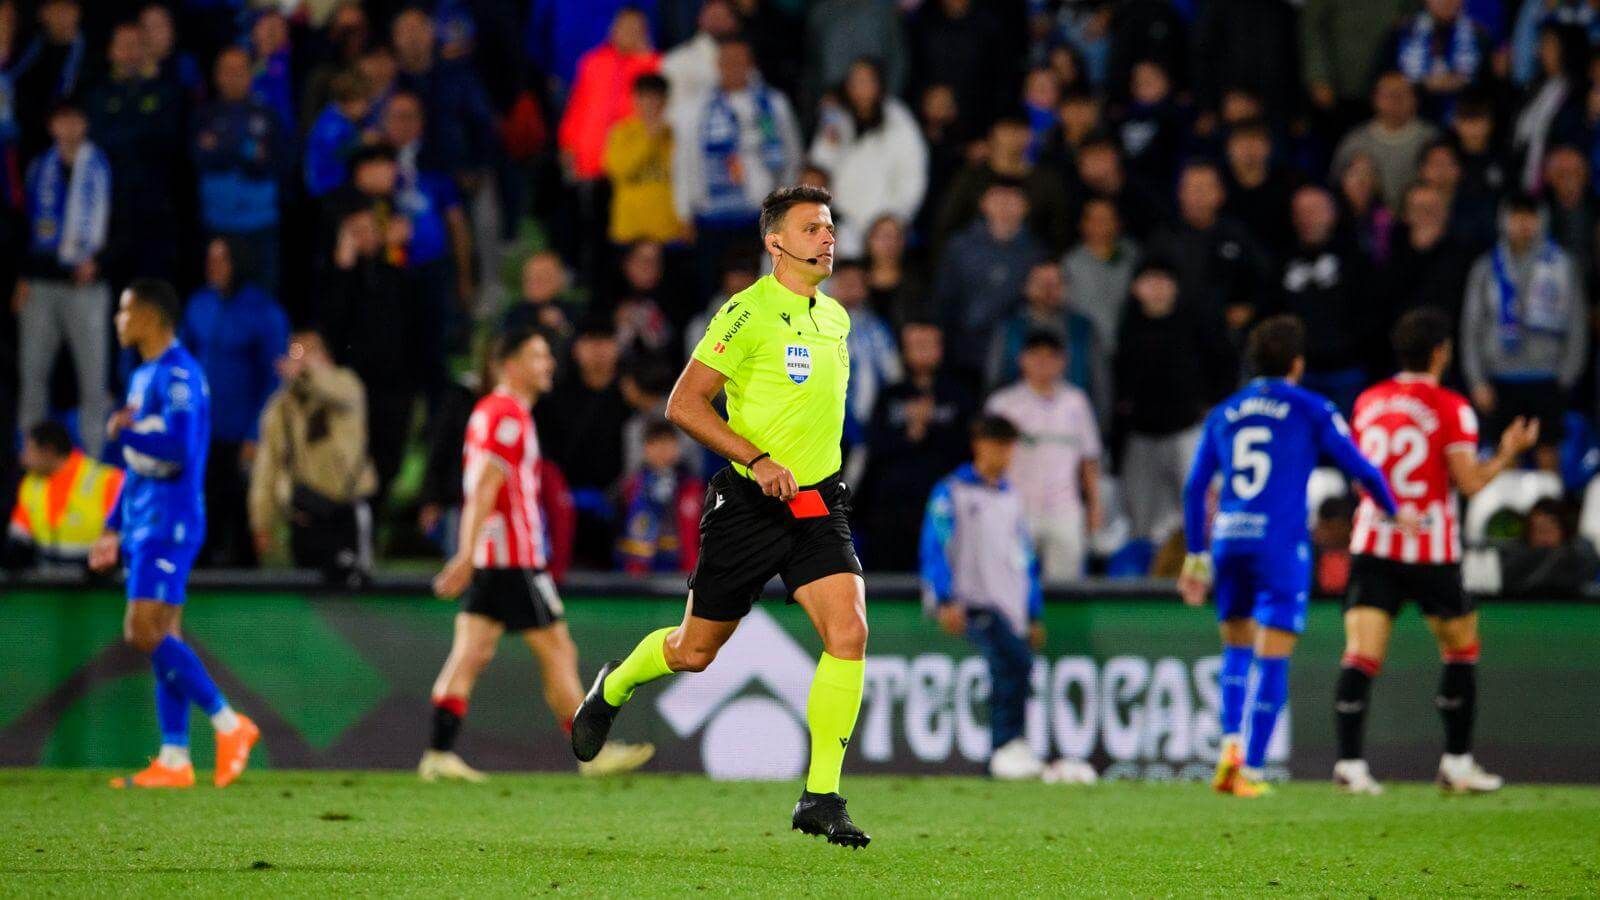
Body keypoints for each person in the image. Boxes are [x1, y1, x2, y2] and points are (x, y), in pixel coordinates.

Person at [571, 186, 872, 848]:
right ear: (776, 243)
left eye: (830, 227)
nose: (828, 238)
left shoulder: (838, 319)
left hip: (817, 505)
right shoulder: (745, 313)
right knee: (694, 652)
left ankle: (820, 795)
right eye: (812, 228)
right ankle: (611, 689)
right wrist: (759, 458)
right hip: (746, 505)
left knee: (848, 632)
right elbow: (684, 403)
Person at [1178, 316, 1405, 799]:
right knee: (1273, 656)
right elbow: (1361, 467)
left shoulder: (1225, 411)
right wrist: (1393, 510)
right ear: (1297, 364)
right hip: (1279, 543)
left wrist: (1196, 556)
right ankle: (1252, 770)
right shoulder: (1309, 407)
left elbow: (1196, 487)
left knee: (1236, 650)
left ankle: (1229, 749)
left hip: (1230, 539)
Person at [423, 324, 655, 782]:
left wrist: (472, 553)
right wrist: (466, 555)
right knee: (557, 651)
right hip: (513, 560)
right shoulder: (508, 415)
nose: (548, 364)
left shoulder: (491, 411)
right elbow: (486, 489)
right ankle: (592, 753)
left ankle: (438, 752)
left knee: (471, 652)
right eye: (537, 356)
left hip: (497, 557)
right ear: (509, 365)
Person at [1335, 308, 1540, 796]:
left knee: (1362, 656)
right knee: (1461, 649)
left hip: (1374, 543)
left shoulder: (1368, 401)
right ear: (1440, 353)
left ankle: (1349, 764)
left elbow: (1357, 473)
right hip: (1431, 549)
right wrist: (1509, 453)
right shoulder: (1451, 407)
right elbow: (1469, 482)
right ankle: (1457, 762)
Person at [90, 279, 259, 789]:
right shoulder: (143, 377)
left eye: (125, 310)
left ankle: (230, 724)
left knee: (143, 632)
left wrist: (127, 431)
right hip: (143, 518)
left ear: (151, 316)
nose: (119, 320)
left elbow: (181, 449)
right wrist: (111, 526)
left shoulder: (181, 375)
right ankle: (174, 756)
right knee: (167, 635)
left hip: (171, 520)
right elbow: (136, 465)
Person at [920, 414, 1046, 779]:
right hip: (973, 602)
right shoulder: (953, 491)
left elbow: (1025, 560)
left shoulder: (1010, 498)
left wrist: (1033, 612)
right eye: (997, 444)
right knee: (1012, 664)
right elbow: (936, 545)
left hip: (1009, 607)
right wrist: (944, 598)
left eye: (1008, 446)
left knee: (1015, 666)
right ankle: (1004, 747)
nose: (1003, 453)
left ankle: (1009, 747)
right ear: (979, 444)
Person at [180, 238, 289, 568]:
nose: (213, 267)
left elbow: (274, 379)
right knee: (199, 509)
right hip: (201, 429)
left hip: (241, 433)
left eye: (222, 260)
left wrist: (256, 433)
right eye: (210, 259)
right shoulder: (199, 304)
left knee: (242, 515)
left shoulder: (264, 313)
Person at [1459, 194, 1587, 473]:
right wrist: (1477, 380)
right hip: (1500, 378)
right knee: (1506, 452)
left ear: (1541, 221)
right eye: (1516, 216)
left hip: (1546, 376)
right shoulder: (1486, 267)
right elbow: (1471, 327)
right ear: (1504, 220)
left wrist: (1566, 376)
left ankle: (1551, 514)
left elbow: (1577, 326)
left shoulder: (1562, 265)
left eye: (1530, 217)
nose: (1523, 224)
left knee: (1547, 451)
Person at [16, 102, 111, 457]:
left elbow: (121, 224)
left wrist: (99, 263)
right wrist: (24, 275)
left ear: (85, 124)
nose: (69, 127)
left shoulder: (102, 166)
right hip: (42, 286)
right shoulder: (39, 168)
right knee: (34, 375)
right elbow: (23, 226)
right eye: (62, 120)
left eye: (76, 119)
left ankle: (95, 462)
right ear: (52, 126)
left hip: (86, 287)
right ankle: (31, 458)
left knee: (93, 380)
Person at [249, 329, 378, 586]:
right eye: (296, 354)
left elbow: (334, 389)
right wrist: (261, 521)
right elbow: (266, 469)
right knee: (306, 597)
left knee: (354, 590)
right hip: (304, 518)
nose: (301, 361)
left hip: (346, 514)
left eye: (309, 353)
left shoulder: (346, 386)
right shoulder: (280, 409)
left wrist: (310, 371)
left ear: (325, 357)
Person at [985, 332, 1103, 581]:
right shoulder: (1003, 404)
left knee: (1066, 586)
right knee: (1010, 581)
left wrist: (1094, 506)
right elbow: (987, 458)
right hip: (1016, 506)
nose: (1043, 363)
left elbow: (1089, 460)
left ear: (1063, 362)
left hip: (1064, 508)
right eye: (1036, 356)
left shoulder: (1076, 402)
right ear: (1022, 360)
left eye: (1051, 357)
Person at [859, 319, 975, 571]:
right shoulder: (890, 395)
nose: (922, 351)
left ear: (940, 349)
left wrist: (929, 429)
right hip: (892, 508)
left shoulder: (959, 396)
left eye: (928, 344)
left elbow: (968, 452)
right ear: (904, 350)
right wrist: (910, 434)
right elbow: (874, 447)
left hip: (942, 506)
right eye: (916, 345)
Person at [6, 422, 122, 568]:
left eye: (29, 450)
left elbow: (124, 530)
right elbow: (20, 532)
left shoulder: (107, 479)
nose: (23, 458)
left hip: (97, 580)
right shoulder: (31, 484)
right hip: (47, 579)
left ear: (48, 451)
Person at [603, 74, 687, 245]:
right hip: (629, 230)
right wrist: (649, 139)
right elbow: (619, 170)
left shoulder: (675, 135)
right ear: (635, 99)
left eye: (655, 98)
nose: (649, 104)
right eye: (643, 97)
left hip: (668, 231)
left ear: (665, 101)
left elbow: (684, 179)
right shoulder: (621, 133)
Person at [616, 419, 703, 575]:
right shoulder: (630, 487)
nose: (662, 450)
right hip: (637, 570)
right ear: (645, 449)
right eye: (655, 444)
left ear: (677, 448)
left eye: (668, 443)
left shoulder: (692, 488)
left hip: (682, 567)